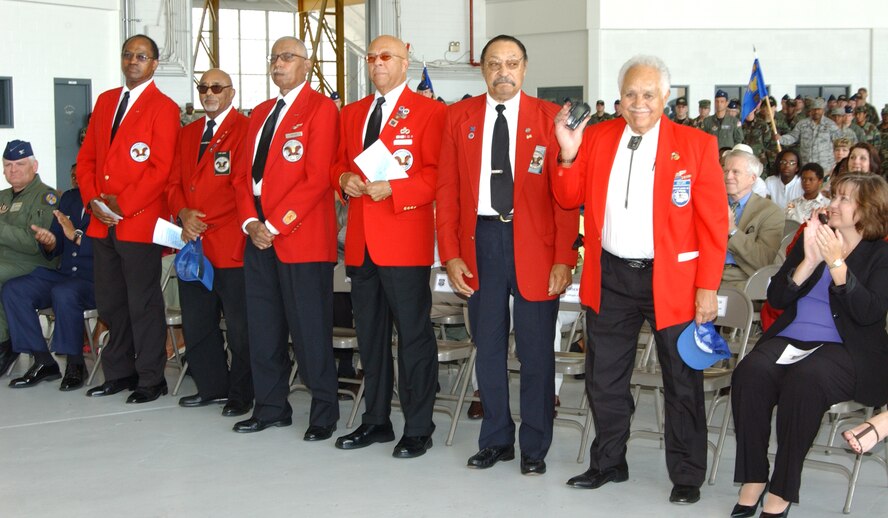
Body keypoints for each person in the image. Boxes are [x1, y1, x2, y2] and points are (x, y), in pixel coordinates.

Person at [551, 55, 728, 504]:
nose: (639, 102)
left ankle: (686, 473)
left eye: (649, 94)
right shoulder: (597, 137)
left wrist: (707, 287)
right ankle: (609, 461)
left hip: (673, 280)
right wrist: (568, 151)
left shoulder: (696, 145)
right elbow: (567, 196)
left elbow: (713, 225)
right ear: (619, 96)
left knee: (681, 379)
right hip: (610, 274)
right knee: (604, 378)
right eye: (630, 93)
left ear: (666, 97)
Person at [436, 34, 579, 475]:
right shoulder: (459, 117)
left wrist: (563, 259)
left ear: (525, 67)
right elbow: (446, 190)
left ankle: (534, 446)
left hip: (535, 246)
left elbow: (565, 198)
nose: (503, 71)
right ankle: (496, 439)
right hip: (480, 246)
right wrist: (451, 254)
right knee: (490, 348)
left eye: (512, 63)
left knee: (536, 351)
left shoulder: (551, 118)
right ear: (482, 69)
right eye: (495, 63)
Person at [730, 173, 888, 518]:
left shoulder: (880, 254)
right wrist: (809, 261)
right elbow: (776, 298)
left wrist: (836, 263)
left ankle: (782, 490)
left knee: (805, 381)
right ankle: (753, 478)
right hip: (792, 337)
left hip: (847, 349)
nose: (832, 205)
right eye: (835, 197)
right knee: (749, 373)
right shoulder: (812, 238)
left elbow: (869, 313)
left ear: (867, 209)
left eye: (844, 199)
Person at [331, 35, 445, 458]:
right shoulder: (354, 113)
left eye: (386, 57)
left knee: (413, 338)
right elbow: (337, 164)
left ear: (405, 62)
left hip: (404, 241)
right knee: (372, 339)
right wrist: (343, 180)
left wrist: (395, 190)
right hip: (360, 245)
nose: (378, 63)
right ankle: (376, 420)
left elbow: (436, 175)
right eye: (372, 57)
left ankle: (418, 426)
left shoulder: (430, 112)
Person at [231, 36, 339, 439]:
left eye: (288, 57)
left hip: (300, 236)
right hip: (257, 234)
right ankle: (271, 407)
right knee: (263, 328)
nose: (279, 63)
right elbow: (243, 177)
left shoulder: (321, 109)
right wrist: (249, 223)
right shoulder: (260, 112)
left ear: (306, 65)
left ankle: (324, 413)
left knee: (309, 329)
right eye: (274, 57)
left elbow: (315, 180)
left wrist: (274, 225)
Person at [77, 34, 180, 403]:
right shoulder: (105, 102)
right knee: (110, 303)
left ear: (154, 64)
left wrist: (120, 206)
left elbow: (159, 169)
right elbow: (87, 158)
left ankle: (151, 379)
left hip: (137, 220)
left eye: (141, 56)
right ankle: (118, 373)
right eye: (127, 55)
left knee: (143, 302)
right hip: (101, 220)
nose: (132, 61)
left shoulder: (163, 108)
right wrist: (93, 201)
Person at [166, 68, 253, 417]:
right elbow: (172, 183)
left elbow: (243, 186)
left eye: (217, 87)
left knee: (240, 326)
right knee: (197, 320)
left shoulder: (246, 130)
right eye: (203, 87)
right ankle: (211, 386)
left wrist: (204, 220)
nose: (209, 93)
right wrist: (183, 213)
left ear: (231, 93)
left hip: (230, 244)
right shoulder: (187, 134)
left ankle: (243, 392)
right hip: (193, 246)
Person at [3, 164, 92, 390]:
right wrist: (50, 242)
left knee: (64, 292)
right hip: (65, 274)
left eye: (82, 173)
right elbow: (57, 243)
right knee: (15, 289)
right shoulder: (70, 199)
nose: (77, 179)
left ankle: (75, 363)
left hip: (96, 277)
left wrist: (78, 236)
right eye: (74, 175)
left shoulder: (110, 201)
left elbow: (114, 244)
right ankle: (43, 361)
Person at [0, 140, 60, 375]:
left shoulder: (46, 197)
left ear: (34, 166)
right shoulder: (3, 197)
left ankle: (5, 343)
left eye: (19, 164)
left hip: (35, 266)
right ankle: (7, 342)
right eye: (7, 165)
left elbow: (32, 244)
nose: (13, 170)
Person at [723, 148, 783, 288]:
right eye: (726, 171)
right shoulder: (711, 205)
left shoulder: (770, 212)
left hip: (744, 281)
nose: (728, 176)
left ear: (753, 178)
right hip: (708, 277)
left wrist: (732, 231)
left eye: (735, 172)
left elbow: (764, 260)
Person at [775, 97, 842, 173]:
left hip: (825, 167)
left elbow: (839, 143)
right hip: (806, 165)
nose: (816, 111)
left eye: (818, 109)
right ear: (810, 110)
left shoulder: (830, 125)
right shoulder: (802, 124)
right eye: (814, 109)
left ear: (823, 110)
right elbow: (793, 136)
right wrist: (781, 138)